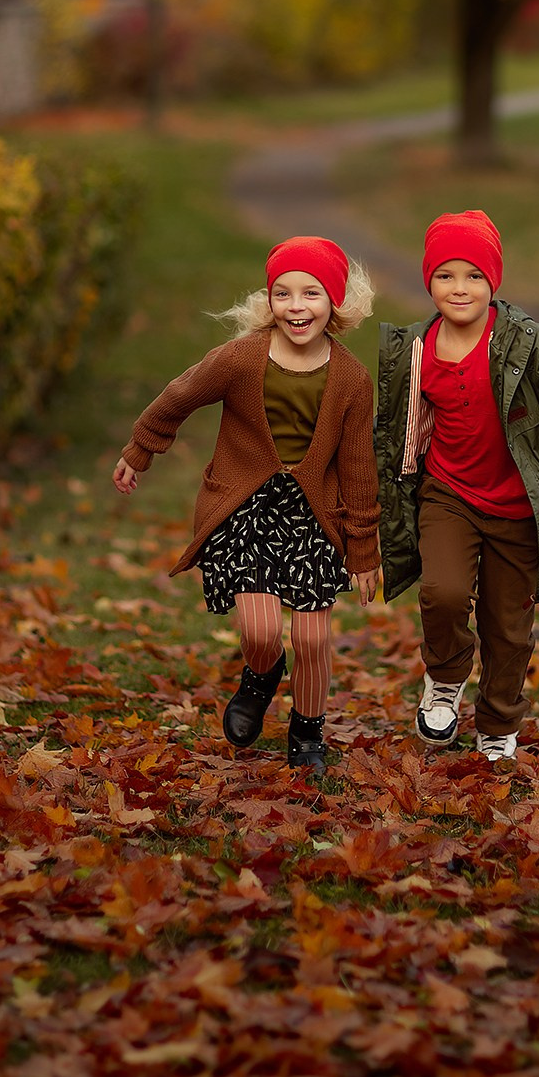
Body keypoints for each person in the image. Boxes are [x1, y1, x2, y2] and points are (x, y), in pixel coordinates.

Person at [374, 209, 539, 764]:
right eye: (446, 275)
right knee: (443, 593)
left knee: (508, 625)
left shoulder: (526, 343)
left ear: (493, 282)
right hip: (446, 494)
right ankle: (446, 679)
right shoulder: (415, 350)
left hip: (518, 505)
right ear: (427, 280)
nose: (459, 288)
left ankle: (498, 721)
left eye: (474, 275)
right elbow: (386, 430)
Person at [113, 237, 380, 776]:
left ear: (335, 302)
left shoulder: (351, 378)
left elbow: (357, 468)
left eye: (311, 293)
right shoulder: (240, 358)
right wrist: (141, 449)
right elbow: (179, 395)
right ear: (268, 300)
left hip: (311, 516)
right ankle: (261, 676)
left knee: (312, 634)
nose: (296, 306)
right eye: (283, 293)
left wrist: (364, 549)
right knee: (261, 632)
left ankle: (308, 733)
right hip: (246, 509)